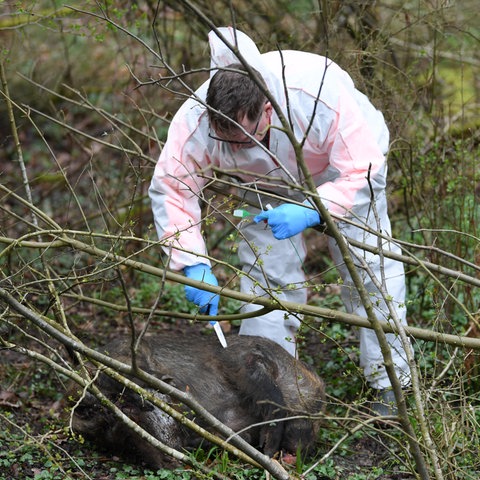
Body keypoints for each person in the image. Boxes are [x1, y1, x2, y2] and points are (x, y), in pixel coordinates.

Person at [149, 27, 411, 414]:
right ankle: (268, 389)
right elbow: (173, 189)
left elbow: (363, 168)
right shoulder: (194, 121)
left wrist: (314, 208)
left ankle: (391, 383)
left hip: (340, 173)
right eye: (227, 140)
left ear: (267, 111)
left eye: (244, 136)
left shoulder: (316, 93)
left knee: (368, 265)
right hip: (263, 185)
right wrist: (191, 262)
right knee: (266, 279)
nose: (235, 145)